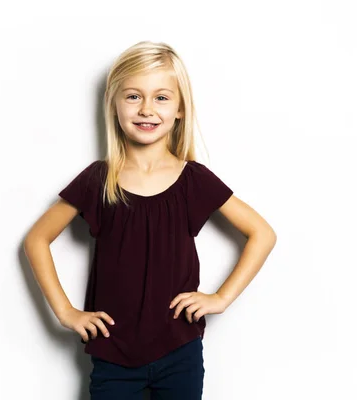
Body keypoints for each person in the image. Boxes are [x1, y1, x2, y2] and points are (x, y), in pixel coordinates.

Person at [24, 41, 277, 400]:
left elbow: (262, 233)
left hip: (180, 351)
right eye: (133, 96)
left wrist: (220, 297)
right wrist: (65, 312)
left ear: (179, 110)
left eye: (161, 97)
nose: (146, 109)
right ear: (114, 104)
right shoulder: (100, 179)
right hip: (112, 354)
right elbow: (36, 240)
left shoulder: (194, 180)